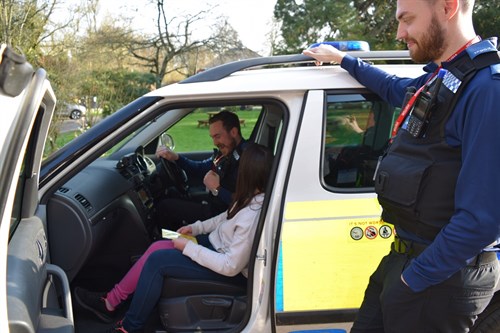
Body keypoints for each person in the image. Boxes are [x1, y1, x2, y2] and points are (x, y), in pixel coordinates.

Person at [304, 0, 499, 332]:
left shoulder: (487, 90)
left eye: (407, 20)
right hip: (407, 259)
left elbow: (483, 218)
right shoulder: (445, 76)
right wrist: (346, 61)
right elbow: (395, 88)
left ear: (448, 7)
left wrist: (412, 281)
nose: (399, 33)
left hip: (440, 276)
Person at [74, 143, 273, 333]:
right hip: (214, 246)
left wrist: (187, 247)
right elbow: (225, 217)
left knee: (157, 262)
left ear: (247, 174)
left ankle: (129, 327)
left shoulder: (253, 215)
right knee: (157, 246)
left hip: (224, 266)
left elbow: (230, 266)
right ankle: (111, 301)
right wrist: (195, 229)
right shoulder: (249, 198)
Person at [155, 110, 247, 230]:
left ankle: (169, 240)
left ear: (233, 132)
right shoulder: (225, 152)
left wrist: (217, 189)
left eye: (217, 136)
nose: (215, 142)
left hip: (223, 216)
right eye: (212, 137)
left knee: (164, 206)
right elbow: (199, 169)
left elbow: (245, 204)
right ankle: (174, 239)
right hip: (214, 206)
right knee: (173, 193)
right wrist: (176, 158)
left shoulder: (247, 159)